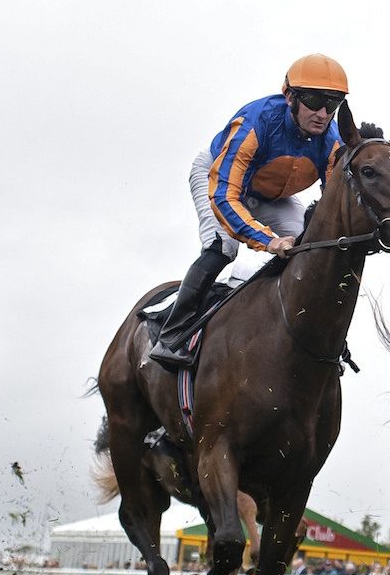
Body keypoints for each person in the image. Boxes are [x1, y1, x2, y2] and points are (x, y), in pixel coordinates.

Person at [151, 55, 352, 369]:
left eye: (333, 103)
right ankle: (172, 334)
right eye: (313, 100)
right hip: (220, 181)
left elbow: (333, 206)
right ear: (290, 97)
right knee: (222, 248)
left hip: (274, 196)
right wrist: (269, 241)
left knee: (306, 248)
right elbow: (225, 197)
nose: (323, 113)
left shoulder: (331, 139)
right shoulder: (256, 122)